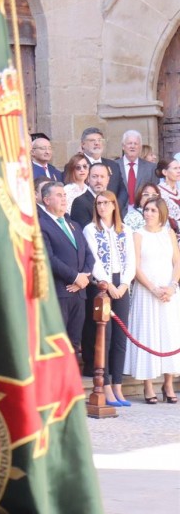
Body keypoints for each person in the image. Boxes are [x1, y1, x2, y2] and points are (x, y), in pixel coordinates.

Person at [83, 190, 135, 406]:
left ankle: (118, 385)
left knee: (121, 337)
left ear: (114, 205)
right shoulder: (90, 230)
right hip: (102, 285)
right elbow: (94, 260)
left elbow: (131, 260)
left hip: (121, 283)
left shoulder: (126, 230)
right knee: (105, 335)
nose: (102, 207)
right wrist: (109, 285)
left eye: (106, 203)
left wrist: (123, 284)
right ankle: (104, 386)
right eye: (98, 203)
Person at [125, 197, 180, 402]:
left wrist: (172, 286)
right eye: (146, 210)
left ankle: (168, 384)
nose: (148, 214)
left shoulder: (169, 234)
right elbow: (136, 266)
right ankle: (148, 385)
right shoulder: (138, 235)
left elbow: (177, 262)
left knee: (169, 335)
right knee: (147, 334)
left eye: (153, 211)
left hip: (169, 292)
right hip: (147, 291)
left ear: (161, 214)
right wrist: (153, 288)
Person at [37, 181, 94, 363]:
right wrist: (75, 277)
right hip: (58, 292)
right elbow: (49, 258)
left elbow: (89, 255)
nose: (64, 198)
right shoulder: (41, 225)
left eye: (64, 195)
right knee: (57, 344)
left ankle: (72, 387)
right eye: (59, 195)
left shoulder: (74, 224)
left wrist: (83, 278)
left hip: (78, 293)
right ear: (46, 200)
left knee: (74, 343)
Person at [115, 130, 156, 209]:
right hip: (119, 212)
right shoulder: (113, 166)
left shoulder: (151, 168)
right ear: (123, 146)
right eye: (129, 143)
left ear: (140, 147)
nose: (132, 146)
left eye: (136, 143)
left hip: (143, 212)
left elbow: (155, 193)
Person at [69, 162, 113, 229]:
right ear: (88, 178)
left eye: (102, 177)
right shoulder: (80, 202)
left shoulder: (112, 200)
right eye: (94, 177)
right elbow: (84, 232)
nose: (99, 181)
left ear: (108, 180)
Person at [157, 157, 180, 234]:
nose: (179, 171)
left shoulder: (178, 191)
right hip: (167, 234)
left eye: (179, 168)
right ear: (165, 172)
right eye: (175, 168)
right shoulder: (158, 192)